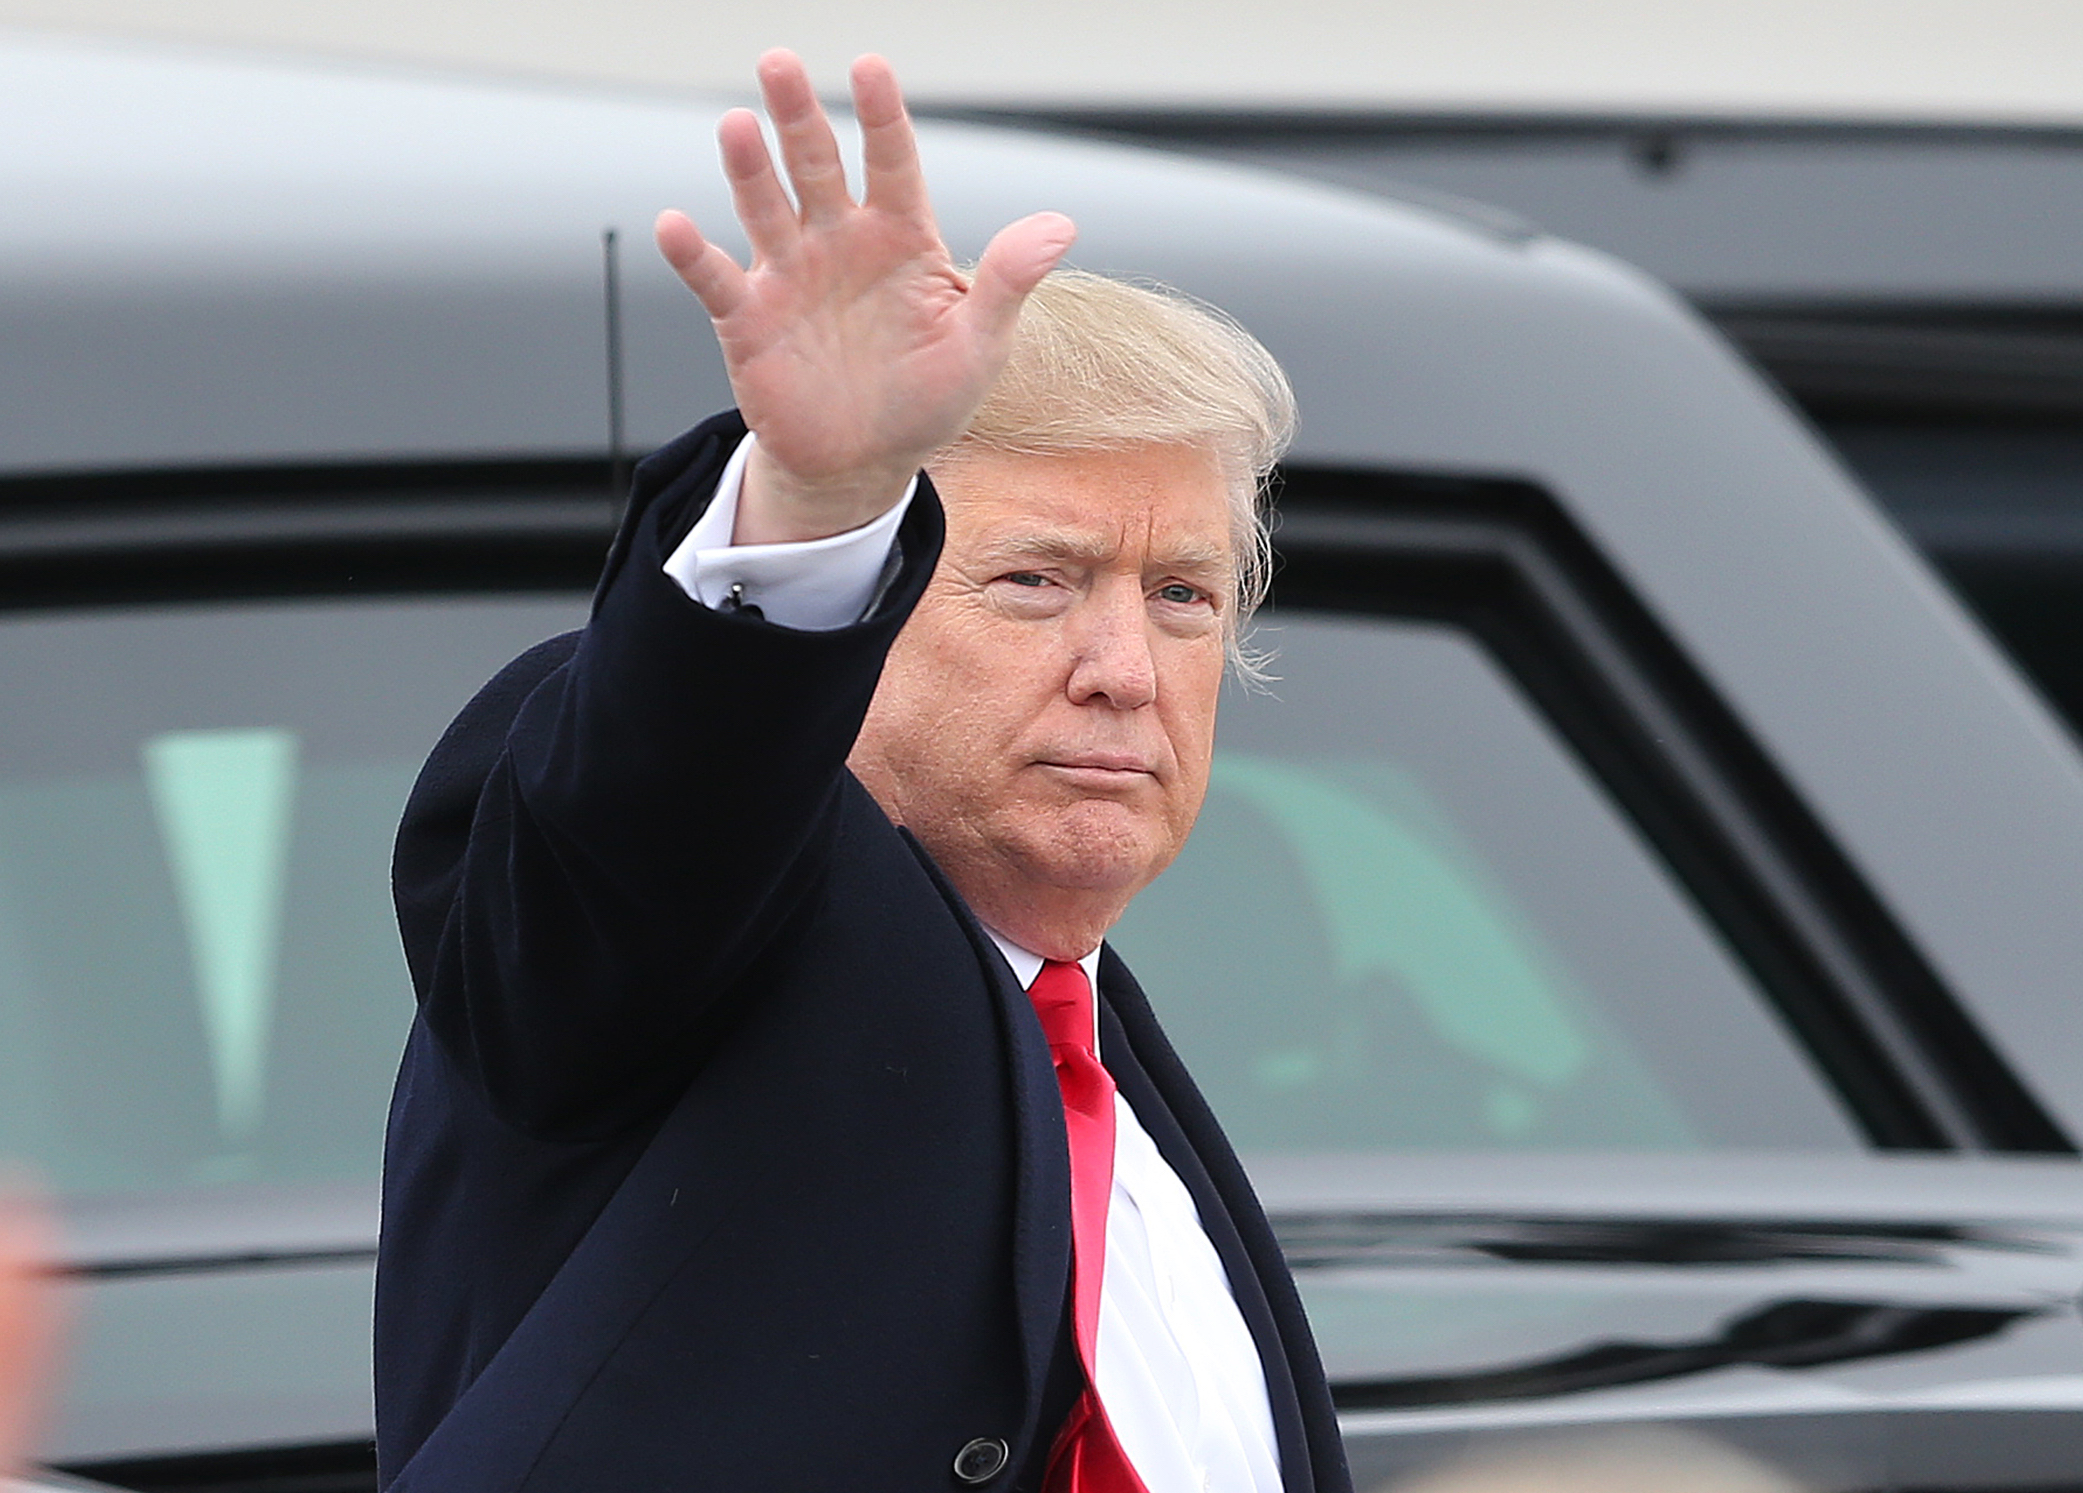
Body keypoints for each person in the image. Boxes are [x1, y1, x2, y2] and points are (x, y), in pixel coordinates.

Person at [376, 48, 1351, 1493]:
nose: (1125, 668)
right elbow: (661, 802)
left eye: (1183, 596)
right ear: (869, 619)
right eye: (1035, 579)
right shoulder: (708, 924)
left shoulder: (1113, 1069)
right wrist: (818, 501)